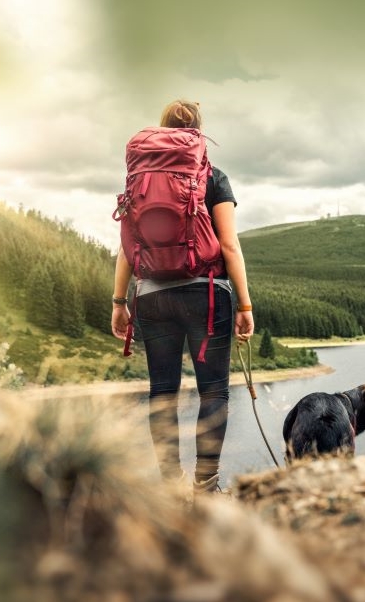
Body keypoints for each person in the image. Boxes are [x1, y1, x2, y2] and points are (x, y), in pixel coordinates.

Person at [111, 100, 254, 494]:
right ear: (198, 132)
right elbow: (229, 245)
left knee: (162, 392)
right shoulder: (213, 177)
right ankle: (205, 487)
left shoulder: (138, 179)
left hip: (152, 298)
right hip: (206, 297)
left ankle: (170, 488)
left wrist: (118, 302)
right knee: (213, 391)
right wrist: (244, 305)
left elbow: (126, 245)